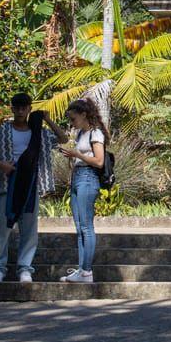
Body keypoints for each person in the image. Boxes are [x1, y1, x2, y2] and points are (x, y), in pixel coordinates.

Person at [0, 93, 62, 283]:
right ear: (12, 109)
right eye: (17, 107)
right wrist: (0, 164)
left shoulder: (39, 132)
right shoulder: (3, 131)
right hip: (8, 184)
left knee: (29, 230)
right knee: (2, 229)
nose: (20, 111)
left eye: (24, 107)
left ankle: (25, 269)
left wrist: (47, 119)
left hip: (31, 184)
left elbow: (62, 138)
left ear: (29, 109)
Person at [58, 97, 108, 283]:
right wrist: (73, 156)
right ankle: (82, 269)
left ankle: (87, 271)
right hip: (78, 177)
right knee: (79, 228)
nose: (72, 123)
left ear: (84, 115)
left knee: (86, 227)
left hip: (88, 177)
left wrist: (77, 154)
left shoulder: (96, 133)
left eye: (73, 119)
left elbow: (99, 161)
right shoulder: (81, 134)